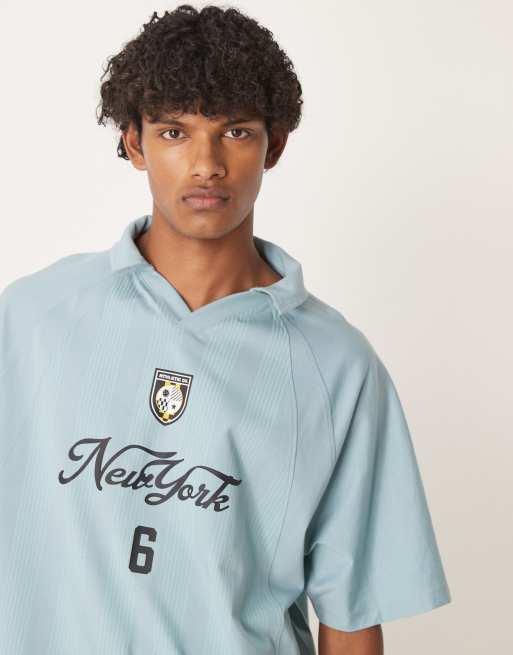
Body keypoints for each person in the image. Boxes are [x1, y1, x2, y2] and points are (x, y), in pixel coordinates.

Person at [0, 4, 451, 654]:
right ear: (135, 144)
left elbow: (351, 617)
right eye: (174, 132)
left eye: (235, 131)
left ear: (275, 144)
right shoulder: (32, 318)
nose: (206, 163)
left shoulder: (338, 366)